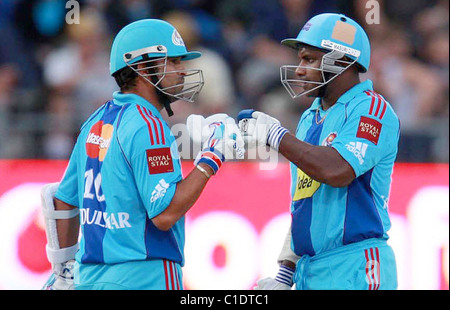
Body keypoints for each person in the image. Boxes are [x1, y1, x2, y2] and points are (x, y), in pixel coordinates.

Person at [41, 18, 244, 290]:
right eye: (172, 62)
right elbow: (165, 214)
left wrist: (63, 271)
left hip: (89, 279)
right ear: (140, 68)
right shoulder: (149, 126)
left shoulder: (96, 121)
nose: (182, 71)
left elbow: (62, 200)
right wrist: (212, 157)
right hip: (145, 277)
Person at [238, 13, 399, 290]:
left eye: (309, 59)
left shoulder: (372, 110)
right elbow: (303, 201)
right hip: (311, 271)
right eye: (301, 59)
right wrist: (285, 274)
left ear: (342, 61)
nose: (299, 69)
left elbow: (337, 170)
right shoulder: (309, 117)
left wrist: (276, 136)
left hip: (356, 266)